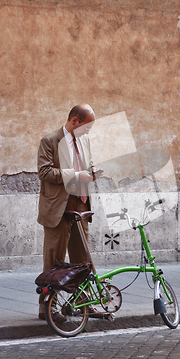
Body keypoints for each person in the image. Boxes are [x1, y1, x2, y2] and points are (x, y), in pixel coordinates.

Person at [37, 103, 102, 320]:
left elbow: (88, 164)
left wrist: (92, 171)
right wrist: (75, 175)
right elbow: (45, 172)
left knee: (82, 260)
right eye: (86, 127)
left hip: (81, 206)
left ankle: (84, 302)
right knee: (54, 259)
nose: (87, 132)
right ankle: (47, 308)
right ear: (74, 121)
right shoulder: (49, 141)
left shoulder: (84, 140)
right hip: (59, 208)